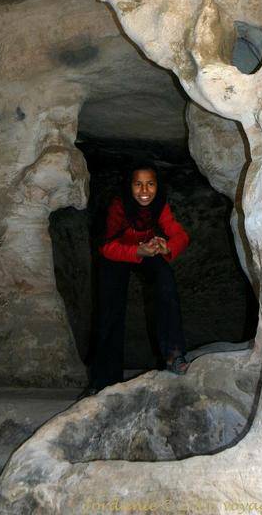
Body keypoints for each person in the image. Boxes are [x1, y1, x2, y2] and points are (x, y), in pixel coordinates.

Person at [87, 161, 190, 394]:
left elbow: (180, 235)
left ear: (157, 186)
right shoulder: (117, 207)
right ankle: (104, 380)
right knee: (109, 309)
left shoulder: (160, 205)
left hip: (146, 249)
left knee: (166, 283)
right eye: (138, 184)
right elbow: (106, 247)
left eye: (150, 184)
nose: (144, 191)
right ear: (129, 186)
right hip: (116, 252)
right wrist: (136, 251)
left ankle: (173, 355)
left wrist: (166, 247)